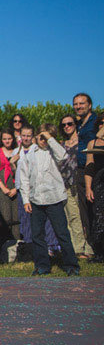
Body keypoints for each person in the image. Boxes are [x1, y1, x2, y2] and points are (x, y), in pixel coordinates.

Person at [20, 124, 80, 276]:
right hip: (36, 199)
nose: (43, 140)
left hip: (54, 198)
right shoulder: (30, 153)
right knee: (37, 235)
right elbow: (24, 178)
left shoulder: (55, 151)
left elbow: (64, 156)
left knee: (62, 233)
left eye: (46, 137)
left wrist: (50, 139)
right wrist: (26, 200)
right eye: (41, 137)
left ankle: (71, 265)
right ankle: (42, 266)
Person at [58, 114, 94, 258]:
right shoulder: (61, 144)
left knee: (86, 215)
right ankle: (78, 248)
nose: (67, 127)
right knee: (72, 216)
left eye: (70, 124)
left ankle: (90, 247)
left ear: (75, 125)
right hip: (66, 183)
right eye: (64, 125)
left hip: (81, 180)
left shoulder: (83, 143)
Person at [0, 128, 22, 259]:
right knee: (3, 217)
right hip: (2, 187)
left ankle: (17, 247)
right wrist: (3, 188)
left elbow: (20, 171)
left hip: (15, 186)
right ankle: (2, 249)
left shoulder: (17, 152)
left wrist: (16, 188)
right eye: (5, 139)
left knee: (16, 217)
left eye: (9, 138)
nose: (7, 141)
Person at [74, 93, 98, 251]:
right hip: (81, 170)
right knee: (84, 211)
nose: (78, 106)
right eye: (76, 104)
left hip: (95, 169)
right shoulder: (78, 125)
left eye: (82, 103)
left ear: (89, 105)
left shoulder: (96, 122)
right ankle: (92, 245)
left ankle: (97, 246)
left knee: (95, 208)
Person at [82, 114, 104, 262]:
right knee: (99, 216)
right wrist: (88, 187)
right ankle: (100, 252)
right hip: (99, 181)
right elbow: (89, 167)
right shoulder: (92, 143)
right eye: (101, 123)